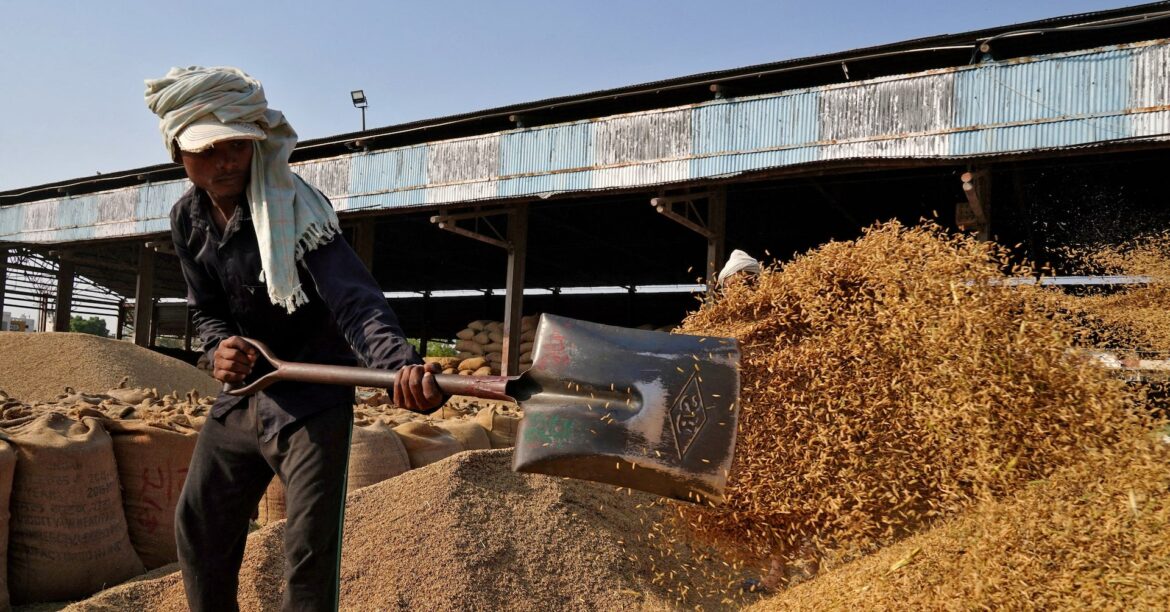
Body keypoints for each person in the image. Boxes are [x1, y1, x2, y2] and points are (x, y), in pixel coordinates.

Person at [145, 66, 445, 611]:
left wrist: (399, 364)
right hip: (244, 394)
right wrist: (219, 351)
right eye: (208, 149)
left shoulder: (295, 211)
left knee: (307, 552)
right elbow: (206, 311)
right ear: (178, 153)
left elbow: (355, 301)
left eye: (237, 145)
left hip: (312, 400)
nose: (225, 160)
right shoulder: (186, 219)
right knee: (200, 525)